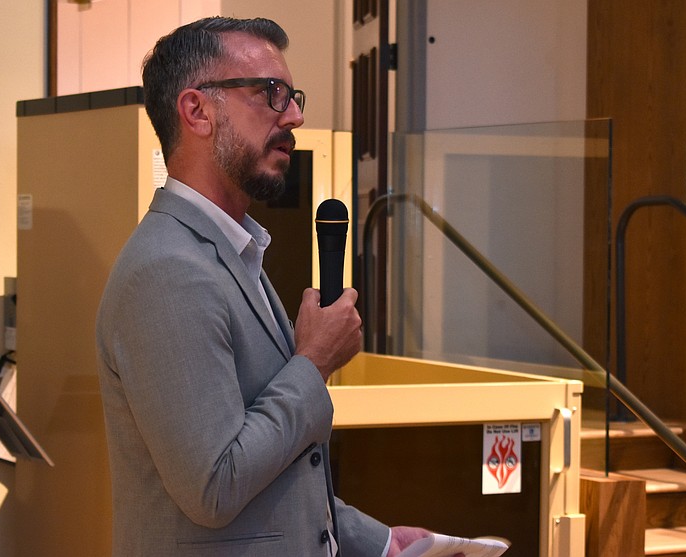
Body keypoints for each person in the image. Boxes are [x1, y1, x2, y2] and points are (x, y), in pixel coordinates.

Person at [96, 16, 455, 557]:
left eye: (291, 95)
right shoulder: (168, 271)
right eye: (271, 93)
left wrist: (382, 543)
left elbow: (280, 476)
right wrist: (313, 363)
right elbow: (215, 486)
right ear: (197, 111)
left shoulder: (235, 254)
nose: (295, 115)